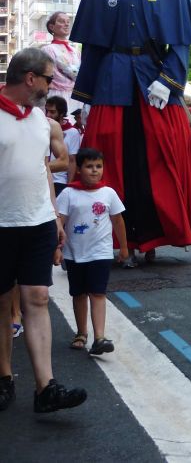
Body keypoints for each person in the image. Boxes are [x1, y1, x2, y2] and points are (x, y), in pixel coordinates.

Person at [70, 0, 191, 263]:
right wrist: (85, 99)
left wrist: (168, 82)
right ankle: (117, 240)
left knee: (157, 163)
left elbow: (180, 45)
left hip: (156, 86)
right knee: (111, 161)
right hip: (111, 85)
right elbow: (93, 49)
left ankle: (154, 236)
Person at [0, 47, 87, 413]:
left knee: (36, 298)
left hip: (36, 222)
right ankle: (4, 378)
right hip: (2, 225)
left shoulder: (40, 121)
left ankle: (45, 388)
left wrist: (54, 219)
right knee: (3, 304)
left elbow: (43, 172)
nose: (54, 86)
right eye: (50, 79)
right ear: (30, 78)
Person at [57, 148, 128, 355]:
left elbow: (118, 220)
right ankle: (81, 333)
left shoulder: (108, 193)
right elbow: (60, 222)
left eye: (98, 166)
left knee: (98, 293)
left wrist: (123, 247)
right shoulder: (69, 193)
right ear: (79, 169)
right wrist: (57, 248)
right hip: (74, 253)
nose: (94, 171)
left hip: (101, 253)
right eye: (89, 166)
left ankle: (99, 337)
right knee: (78, 294)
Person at [41, 11, 82, 114]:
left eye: (68, 21)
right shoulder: (48, 49)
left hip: (75, 96)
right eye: (61, 21)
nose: (66, 24)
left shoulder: (75, 51)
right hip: (56, 95)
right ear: (51, 26)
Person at [45, 96, 81, 196]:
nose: (48, 115)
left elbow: (72, 160)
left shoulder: (72, 132)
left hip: (59, 182)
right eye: (47, 111)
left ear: (61, 114)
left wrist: (68, 186)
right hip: (42, 178)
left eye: (52, 112)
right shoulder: (42, 127)